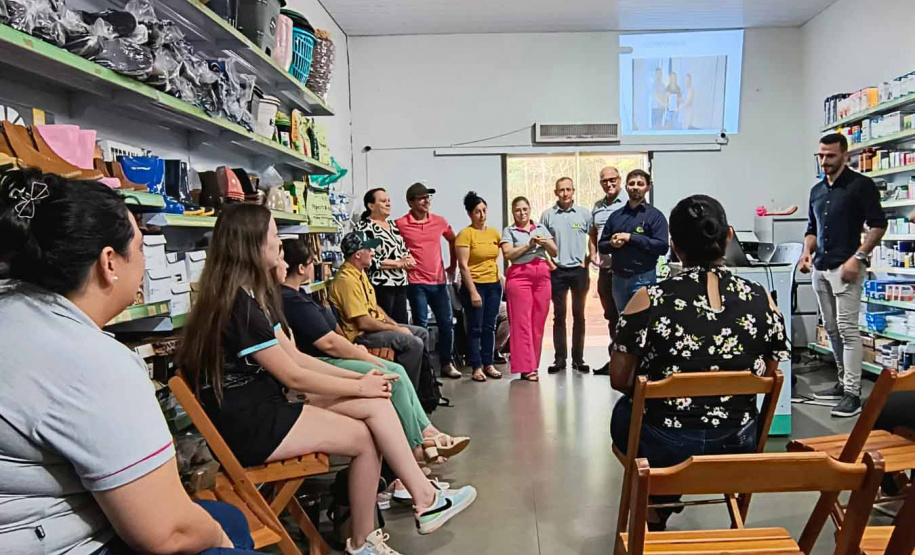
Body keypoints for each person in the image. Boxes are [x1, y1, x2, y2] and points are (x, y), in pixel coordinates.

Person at [176, 205, 476, 554]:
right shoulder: (239, 307)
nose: (280, 245)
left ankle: (420, 501)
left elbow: (298, 358)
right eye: (274, 235)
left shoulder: (248, 299)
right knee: (365, 436)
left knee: (374, 408)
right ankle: (389, 522)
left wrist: (361, 377)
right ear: (252, 244)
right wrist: (358, 384)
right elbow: (293, 375)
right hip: (252, 424)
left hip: (265, 405)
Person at [0, 170, 264, 554]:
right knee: (220, 536)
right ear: (109, 262)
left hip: (29, 521)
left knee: (229, 519)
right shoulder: (86, 359)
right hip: (49, 541)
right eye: (140, 248)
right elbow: (166, 533)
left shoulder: (17, 310)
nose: (142, 261)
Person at [609, 194, 791, 530]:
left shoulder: (648, 299)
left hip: (665, 445)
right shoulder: (761, 298)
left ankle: (659, 498)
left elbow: (620, 380)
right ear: (729, 236)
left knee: (625, 412)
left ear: (675, 247)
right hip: (737, 443)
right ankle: (666, 501)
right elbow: (771, 370)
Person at [279, 237, 469, 466]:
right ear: (301, 268)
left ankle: (427, 430)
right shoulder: (305, 296)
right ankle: (415, 448)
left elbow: (360, 318)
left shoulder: (315, 292)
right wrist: (364, 353)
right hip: (333, 355)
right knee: (395, 373)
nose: (371, 253)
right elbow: (338, 337)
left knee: (409, 347)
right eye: (312, 262)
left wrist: (394, 327)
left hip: (342, 350)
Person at [799, 133, 887, 417]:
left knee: (848, 331)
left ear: (845, 156)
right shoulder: (817, 190)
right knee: (832, 329)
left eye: (830, 156)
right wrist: (805, 252)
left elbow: (878, 225)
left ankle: (853, 393)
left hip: (847, 268)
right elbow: (811, 228)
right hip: (821, 268)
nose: (824, 161)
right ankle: (841, 382)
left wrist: (858, 258)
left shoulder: (861, 186)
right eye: (821, 156)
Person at [329, 231, 434, 389]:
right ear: (358, 254)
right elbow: (363, 322)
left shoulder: (360, 273)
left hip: (372, 329)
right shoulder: (346, 281)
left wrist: (396, 325)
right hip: (361, 337)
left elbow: (374, 307)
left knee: (421, 332)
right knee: (414, 343)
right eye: (369, 249)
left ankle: (424, 389)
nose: (373, 253)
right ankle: (406, 390)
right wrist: (396, 329)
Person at [395, 183, 461, 380]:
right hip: (416, 283)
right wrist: (400, 261)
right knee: (421, 325)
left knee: (446, 323)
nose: (426, 201)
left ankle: (447, 364)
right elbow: (387, 241)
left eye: (428, 197)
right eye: (421, 198)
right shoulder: (400, 224)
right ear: (411, 202)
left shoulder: (439, 221)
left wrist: (453, 265)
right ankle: (424, 368)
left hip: (439, 281)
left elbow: (453, 239)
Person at [501, 196, 558, 381]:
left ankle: (533, 364)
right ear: (513, 212)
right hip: (519, 276)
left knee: (538, 322)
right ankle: (526, 368)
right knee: (521, 323)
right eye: (518, 210)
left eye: (525, 209)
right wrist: (528, 245)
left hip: (542, 276)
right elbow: (509, 254)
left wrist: (544, 242)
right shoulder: (509, 231)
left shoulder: (540, 227)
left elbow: (555, 251)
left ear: (530, 209)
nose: (522, 213)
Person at [541, 177, 593, 374]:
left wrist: (587, 260)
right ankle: (560, 359)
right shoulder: (547, 215)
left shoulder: (584, 214)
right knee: (559, 316)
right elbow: (541, 242)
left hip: (579, 271)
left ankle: (578, 359)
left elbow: (593, 236)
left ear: (574, 191)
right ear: (556, 192)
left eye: (568, 189)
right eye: (561, 190)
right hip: (558, 271)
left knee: (579, 315)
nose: (565, 193)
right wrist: (550, 263)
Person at [599, 169, 668, 311]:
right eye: (632, 183)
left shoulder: (655, 216)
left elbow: (662, 247)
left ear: (648, 187)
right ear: (626, 187)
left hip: (644, 278)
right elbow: (602, 246)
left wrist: (631, 238)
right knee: (622, 321)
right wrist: (612, 244)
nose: (635, 187)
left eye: (640, 184)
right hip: (618, 280)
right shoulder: (616, 216)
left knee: (642, 323)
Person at [456, 191, 503, 382]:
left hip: (493, 285)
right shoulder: (465, 235)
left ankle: (488, 363)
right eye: (477, 211)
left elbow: (496, 259)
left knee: (489, 327)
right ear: (470, 214)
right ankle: (476, 366)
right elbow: (463, 266)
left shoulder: (493, 233)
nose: (482, 215)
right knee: (475, 327)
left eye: (484, 210)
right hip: (475, 286)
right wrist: (473, 291)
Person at [355, 188, 413, 324]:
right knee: (386, 324)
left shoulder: (393, 226)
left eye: (389, 201)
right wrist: (397, 263)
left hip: (401, 283)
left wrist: (408, 259)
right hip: (381, 285)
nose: (388, 204)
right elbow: (368, 259)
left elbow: (402, 249)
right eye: (383, 201)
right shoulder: (364, 227)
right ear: (371, 206)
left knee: (402, 324)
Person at [590, 166, 626, 376]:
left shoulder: (627, 204)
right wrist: (593, 252)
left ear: (619, 180)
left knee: (626, 317)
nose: (609, 183)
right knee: (611, 316)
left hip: (625, 271)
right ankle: (613, 360)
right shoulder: (597, 206)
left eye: (613, 179)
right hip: (605, 270)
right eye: (604, 181)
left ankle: (628, 363)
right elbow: (594, 233)